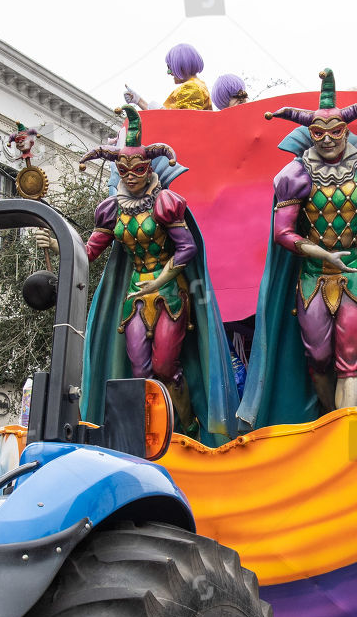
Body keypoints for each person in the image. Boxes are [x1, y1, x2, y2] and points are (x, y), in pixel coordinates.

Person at [238, 69, 357, 425]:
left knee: (350, 360)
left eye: (335, 132)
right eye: (318, 133)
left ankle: (346, 437)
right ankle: (329, 422)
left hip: (355, 277)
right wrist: (322, 254)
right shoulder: (295, 176)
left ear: (347, 132)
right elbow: (283, 233)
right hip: (312, 278)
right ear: (308, 135)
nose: (327, 140)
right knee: (318, 357)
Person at [75, 106, 238, 443]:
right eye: (123, 169)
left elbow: (187, 249)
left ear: (149, 168)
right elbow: (88, 252)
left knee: (166, 366)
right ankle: (150, 437)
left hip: (171, 293)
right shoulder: (111, 210)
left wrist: (161, 280)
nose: (130, 175)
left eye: (138, 168)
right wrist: (61, 244)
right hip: (135, 296)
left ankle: (187, 432)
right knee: (140, 371)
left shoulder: (165, 202)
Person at [125, 43, 211, 111]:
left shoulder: (191, 87)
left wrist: (158, 109)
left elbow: (183, 123)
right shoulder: (197, 85)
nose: (169, 72)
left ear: (180, 65)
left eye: (169, 68)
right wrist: (138, 100)